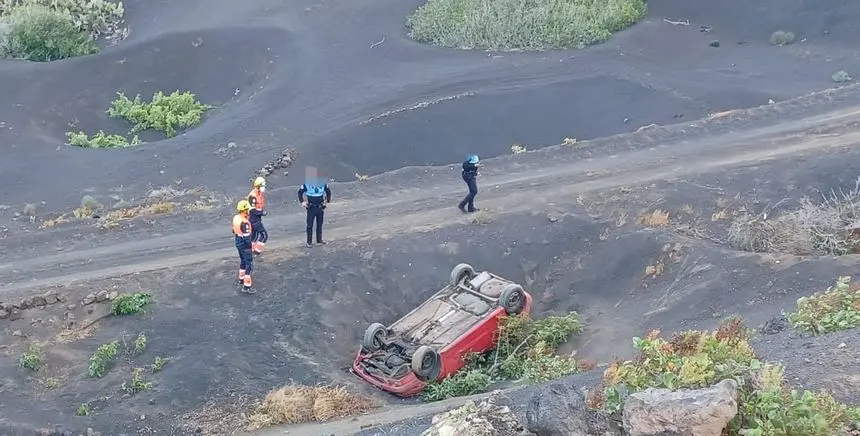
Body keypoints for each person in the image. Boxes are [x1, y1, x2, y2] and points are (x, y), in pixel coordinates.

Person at [297, 178, 332, 247]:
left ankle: (319, 240)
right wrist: (302, 202)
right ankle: (309, 242)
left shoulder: (323, 184)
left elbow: (328, 191)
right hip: (311, 208)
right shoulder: (307, 185)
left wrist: (327, 201)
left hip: (320, 207)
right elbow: (300, 192)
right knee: (309, 225)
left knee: (319, 225)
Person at [232, 200, 255, 294]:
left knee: (243, 261)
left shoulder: (236, 218)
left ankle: (241, 278)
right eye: (247, 209)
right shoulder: (245, 222)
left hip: (238, 242)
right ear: (244, 210)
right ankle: (247, 286)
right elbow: (247, 238)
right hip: (245, 245)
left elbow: (233, 230)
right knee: (249, 264)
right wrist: (251, 247)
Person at [247, 177, 268, 255]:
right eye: (263, 185)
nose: (264, 187)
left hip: (255, 219)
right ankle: (257, 252)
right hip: (254, 219)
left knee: (254, 236)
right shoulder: (253, 196)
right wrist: (262, 212)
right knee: (264, 235)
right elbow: (252, 210)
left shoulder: (258, 194)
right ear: (258, 186)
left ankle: (250, 251)